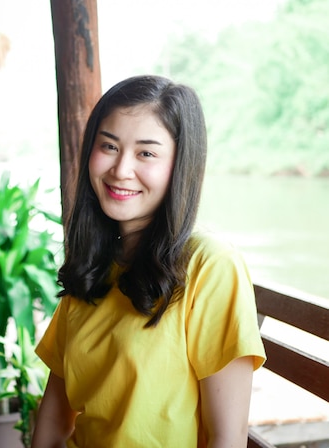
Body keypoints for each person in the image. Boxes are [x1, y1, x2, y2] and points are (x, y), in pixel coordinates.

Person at [32, 75, 266, 448]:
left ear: (180, 166)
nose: (121, 169)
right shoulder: (94, 266)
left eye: (146, 153)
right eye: (109, 145)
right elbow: (55, 416)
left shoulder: (209, 265)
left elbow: (228, 436)